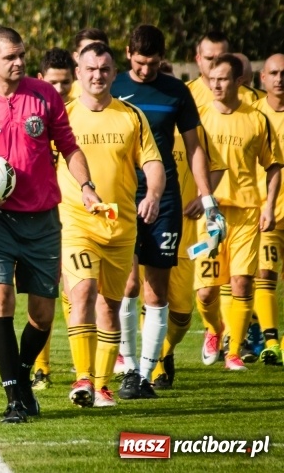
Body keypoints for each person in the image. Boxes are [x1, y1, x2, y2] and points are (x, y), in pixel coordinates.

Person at [0, 27, 98, 422]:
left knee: (42, 315)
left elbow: (69, 146)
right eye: (10, 57)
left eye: (21, 55)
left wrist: (86, 186)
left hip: (42, 220)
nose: (18, 63)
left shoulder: (45, 96)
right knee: (0, 300)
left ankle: (20, 373)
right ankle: (15, 398)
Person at [110, 25, 221, 399]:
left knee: (156, 290)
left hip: (166, 199)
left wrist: (207, 199)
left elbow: (195, 148)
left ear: (162, 57)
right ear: (128, 54)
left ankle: (146, 373)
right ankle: (126, 365)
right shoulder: (113, 87)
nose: (145, 71)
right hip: (125, 195)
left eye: (152, 63)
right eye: (139, 63)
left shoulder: (177, 92)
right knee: (126, 284)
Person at [60, 42, 164, 408]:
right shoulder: (66, 115)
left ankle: (102, 386)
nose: (97, 75)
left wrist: (152, 194)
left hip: (120, 228)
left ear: (113, 72)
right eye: (90, 69)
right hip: (76, 222)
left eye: (104, 69)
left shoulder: (131, 116)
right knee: (84, 292)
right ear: (78, 73)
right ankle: (83, 377)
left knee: (110, 307)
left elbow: (152, 163)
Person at [195, 54, 281, 371]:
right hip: (210, 215)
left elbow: (273, 166)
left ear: (239, 81)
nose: (216, 85)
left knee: (242, 282)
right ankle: (215, 329)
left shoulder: (257, 119)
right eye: (213, 79)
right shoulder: (199, 118)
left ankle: (233, 350)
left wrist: (269, 205)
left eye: (223, 79)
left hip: (246, 212)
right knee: (205, 293)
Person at [149, 126, 225, 388]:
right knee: (149, 298)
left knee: (181, 312)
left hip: (183, 234)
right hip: (144, 228)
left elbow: (216, 166)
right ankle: (154, 364)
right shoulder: (136, 121)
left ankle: (167, 349)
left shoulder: (193, 130)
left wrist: (203, 197)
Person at [30, 47, 77, 390]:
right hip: (43, 211)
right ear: (42, 79)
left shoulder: (79, 112)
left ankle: (84, 367)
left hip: (76, 211)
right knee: (43, 291)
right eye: (54, 83)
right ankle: (41, 367)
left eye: (66, 82)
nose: (61, 90)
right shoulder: (36, 111)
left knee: (74, 290)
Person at [252, 53, 284, 366]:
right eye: (274, 73)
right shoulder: (254, 114)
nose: (280, 78)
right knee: (265, 273)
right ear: (263, 78)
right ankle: (271, 340)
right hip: (267, 212)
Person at [186, 32, 261, 109]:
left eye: (220, 58)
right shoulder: (184, 92)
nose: (214, 62)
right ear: (198, 59)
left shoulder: (249, 96)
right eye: (209, 58)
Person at [68, 28, 110, 100]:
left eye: (99, 50)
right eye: (86, 51)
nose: (94, 55)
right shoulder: (67, 94)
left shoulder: (120, 90)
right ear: (76, 57)